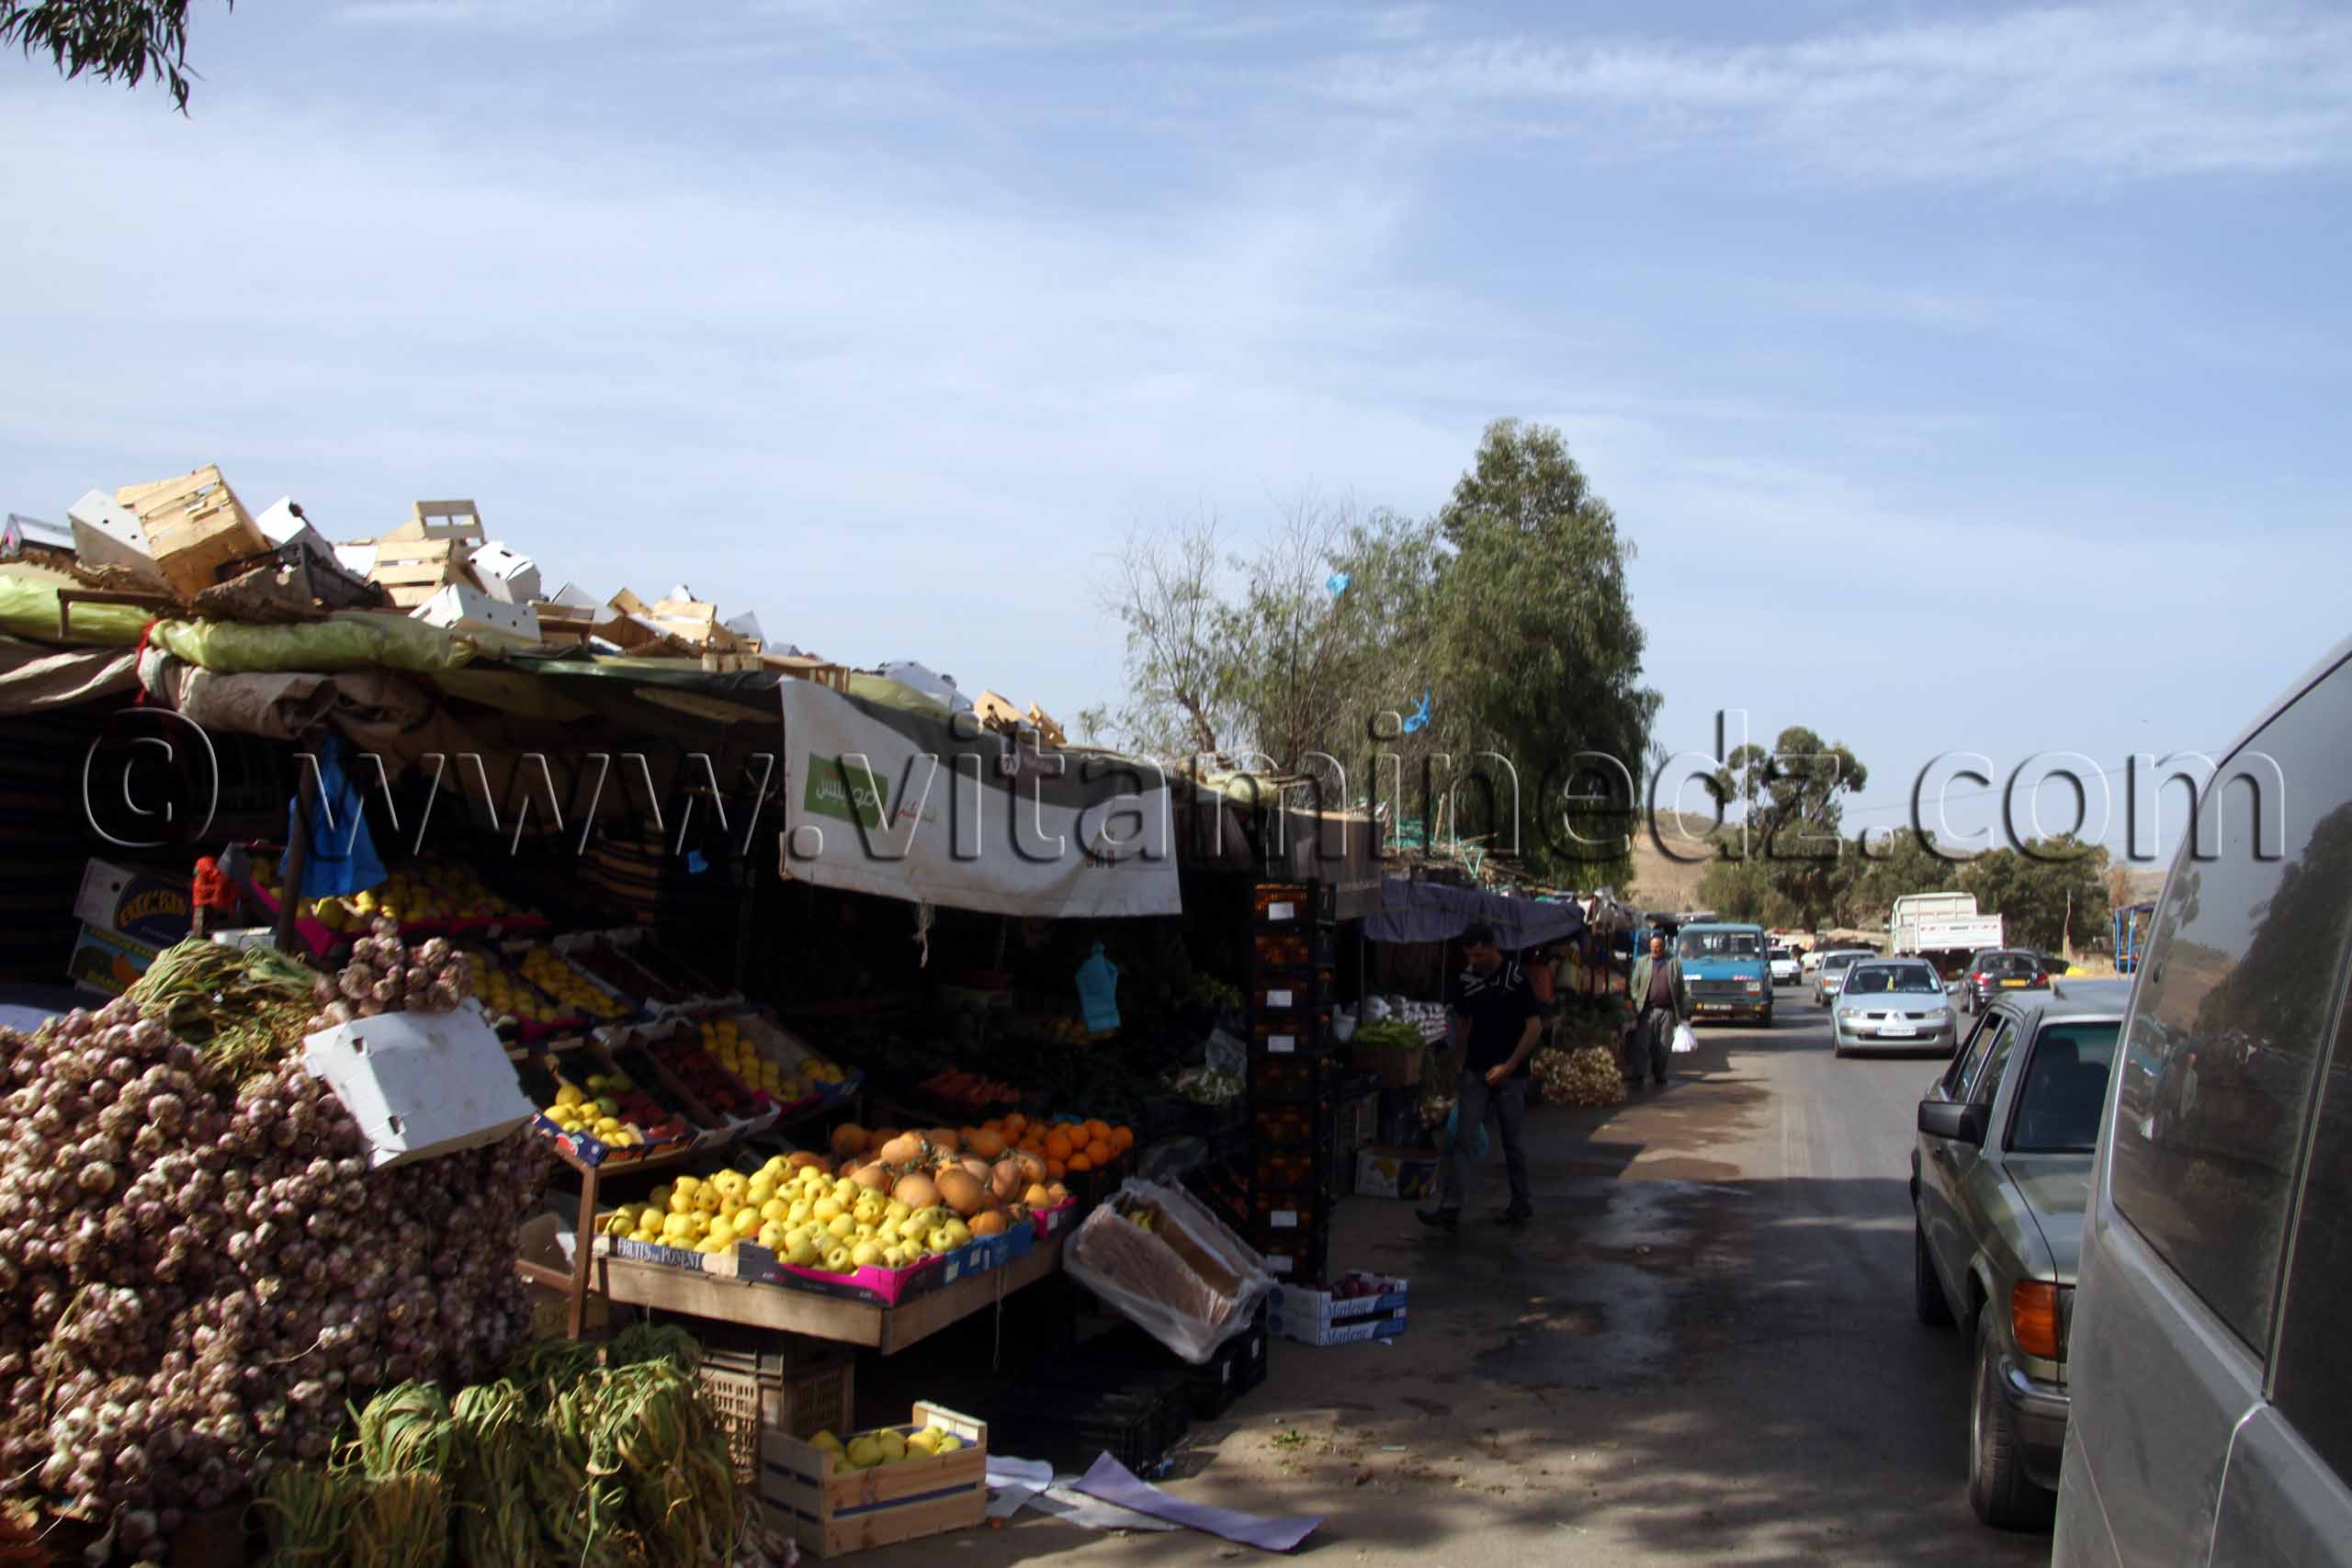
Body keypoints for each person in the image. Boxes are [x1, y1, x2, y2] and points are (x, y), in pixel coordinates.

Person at [1417, 921, 1539, 1232]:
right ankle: (1450, 1208)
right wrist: (1458, 1062)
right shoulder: (1466, 980)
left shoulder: (1517, 979)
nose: (1474, 962)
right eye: (1469, 956)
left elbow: (1534, 1027)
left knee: (1513, 1141)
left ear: (1493, 946)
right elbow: (1463, 1022)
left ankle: (1520, 1204)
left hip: (1511, 1075)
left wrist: (1509, 1066)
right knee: (1462, 1138)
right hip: (1475, 1071)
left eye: (1479, 955)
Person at [1625, 930, 1690, 1089]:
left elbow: (1682, 989)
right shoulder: (1642, 963)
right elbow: (1634, 984)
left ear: (1664, 947)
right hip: (1647, 1011)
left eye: (1659, 946)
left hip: (1667, 1011)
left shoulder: (1673, 963)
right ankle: (1638, 1074)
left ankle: (1659, 1073)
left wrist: (1685, 1011)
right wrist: (1635, 1001)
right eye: (1653, 946)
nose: (1655, 949)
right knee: (1642, 1044)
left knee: (1663, 1045)